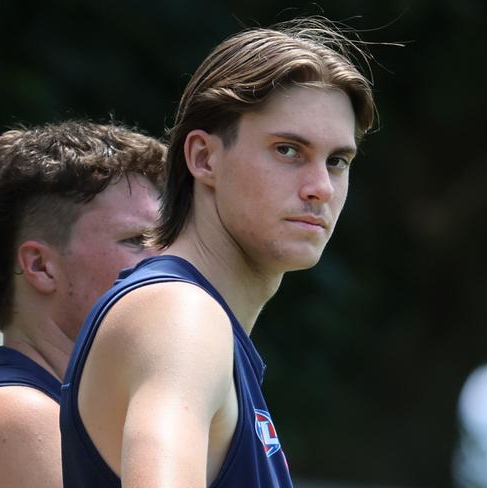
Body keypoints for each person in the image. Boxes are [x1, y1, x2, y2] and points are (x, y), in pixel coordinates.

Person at [60, 18, 376, 487]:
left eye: (337, 161)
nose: (320, 188)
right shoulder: (181, 316)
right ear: (204, 158)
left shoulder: (188, 318)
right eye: (288, 150)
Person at [0, 121, 167, 488]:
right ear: (40, 266)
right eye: (136, 239)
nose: (166, 258)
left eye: (166, 237)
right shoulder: (17, 415)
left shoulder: (76, 413)